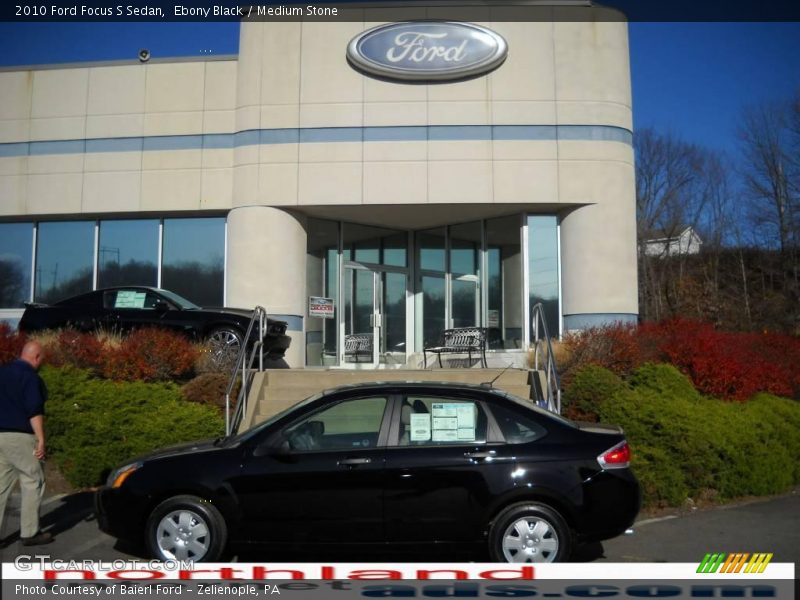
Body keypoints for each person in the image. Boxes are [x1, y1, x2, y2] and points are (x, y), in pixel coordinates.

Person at [0, 340, 53, 546]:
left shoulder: (2, 373)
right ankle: (30, 533)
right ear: (36, 357)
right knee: (33, 481)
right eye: (42, 360)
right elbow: (34, 410)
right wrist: (41, 439)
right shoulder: (30, 377)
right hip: (21, 436)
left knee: (1, 486)